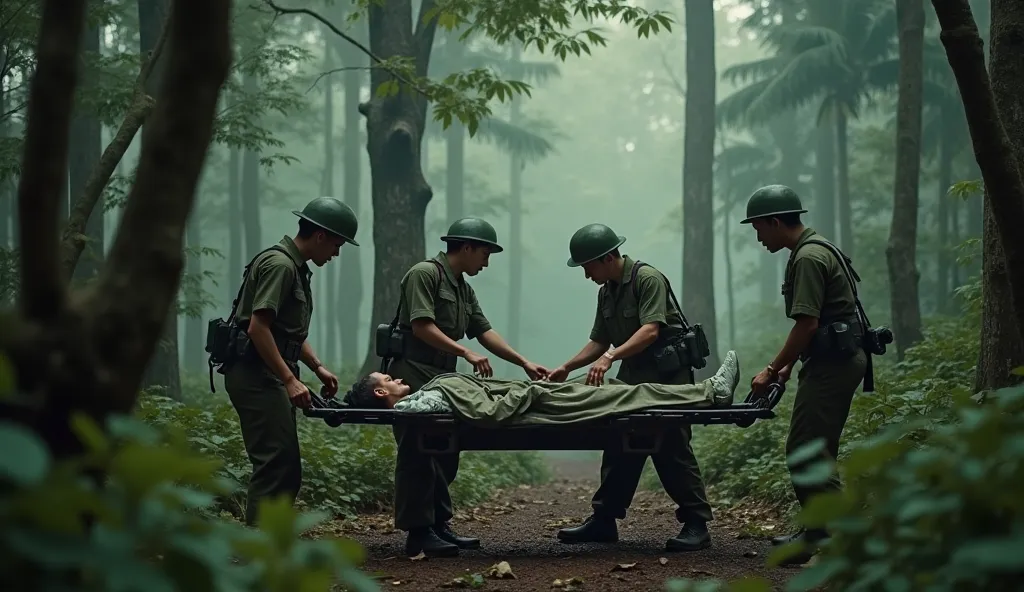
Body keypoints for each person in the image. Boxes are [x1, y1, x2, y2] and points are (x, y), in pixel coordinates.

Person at [381, 217, 550, 558]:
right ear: (467, 247)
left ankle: (438, 524)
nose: (487, 262)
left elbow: (483, 331)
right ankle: (418, 532)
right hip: (412, 372)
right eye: (485, 253)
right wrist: (464, 351)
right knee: (418, 451)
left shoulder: (462, 287)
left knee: (445, 449)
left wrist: (523, 362)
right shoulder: (424, 274)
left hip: (443, 377)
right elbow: (421, 326)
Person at [544, 223, 715, 553]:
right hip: (635, 374)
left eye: (588, 266)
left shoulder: (647, 279)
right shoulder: (606, 290)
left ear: (608, 258)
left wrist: (611, 356)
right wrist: (568, 366)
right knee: (620, 439)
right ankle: (605, 520)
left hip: (669, 376)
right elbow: (599, 340)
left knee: (670, 445)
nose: (586, 275)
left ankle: (697, 523)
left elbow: (651, 331)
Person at [740, 184, 869, 566]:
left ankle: (843, 540)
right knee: (816, 449)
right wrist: (789, 366)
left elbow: (807, 324)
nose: (758, 237)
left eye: (759, 228)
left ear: (776, 222)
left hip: (834, 364)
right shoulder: (813, 249)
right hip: (830, 359)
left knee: (805, 451)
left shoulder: (809, 257)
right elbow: (814, 322)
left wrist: (771, 369)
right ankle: (818, 534)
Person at [221, 196, 359, 526]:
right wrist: (289, 379)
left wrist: (316, 367)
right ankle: (259, 551)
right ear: (321, 236)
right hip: (256, 375)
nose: (336, 254)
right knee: (275, 464)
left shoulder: (295, 268)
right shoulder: (281, 266)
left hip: (267, 372)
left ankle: (271, 546)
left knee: (285, 466)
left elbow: (288, 332)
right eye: (337, 245)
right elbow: (259, 328)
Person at [344, 350, 741, 419]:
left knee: (623, 392)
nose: (397, 378)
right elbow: (488, 411)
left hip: (537, 399)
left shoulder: (422, 401)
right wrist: (528, 389)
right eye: (389, 380)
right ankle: (710, 392)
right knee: (630, 394)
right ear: (383, 394)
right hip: (539, 404)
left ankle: (708, 392)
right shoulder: (416, 405)